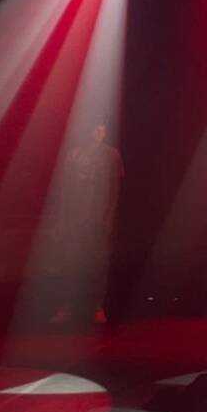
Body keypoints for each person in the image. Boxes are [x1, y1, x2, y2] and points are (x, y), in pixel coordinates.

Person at [54, 123, 124, 325]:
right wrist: (61, 219)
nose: (97, 132)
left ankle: (97, 307)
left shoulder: (112, 155)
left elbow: (114, 189)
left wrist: (108, 219)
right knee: (70, 263)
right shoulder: (73, 155)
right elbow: (65, 189)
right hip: (76, 217)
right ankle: (67, 305)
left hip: (98, 219)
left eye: (101, 128)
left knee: (98, 264)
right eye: (94, 128)